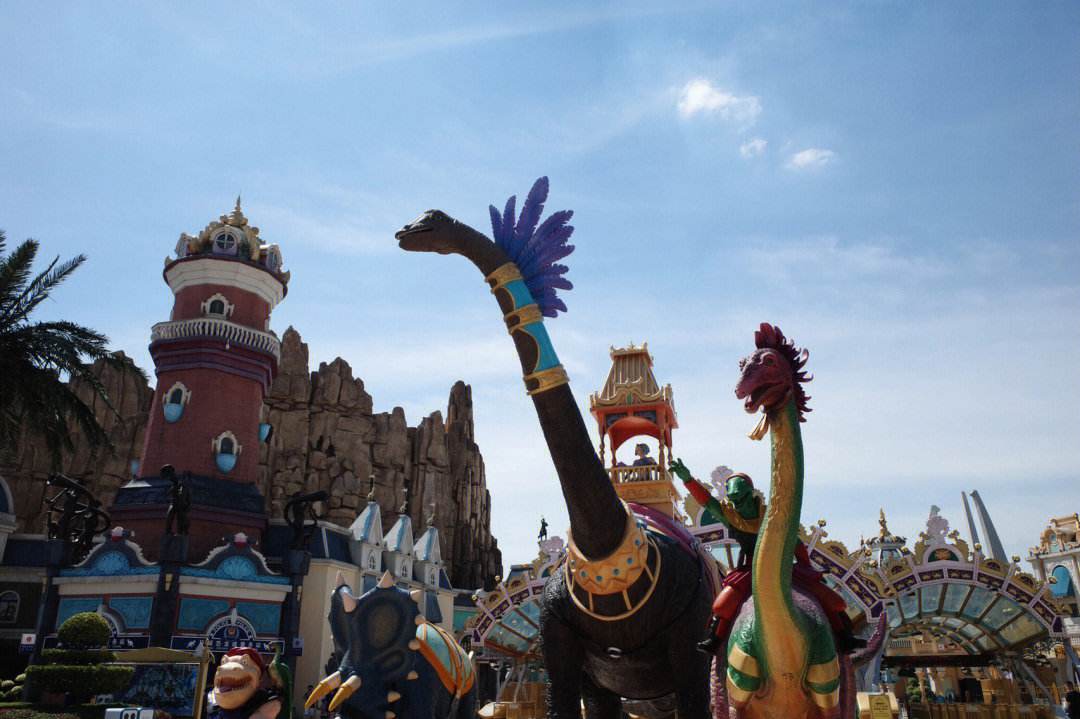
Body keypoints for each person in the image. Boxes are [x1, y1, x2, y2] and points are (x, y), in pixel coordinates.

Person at [669, 457, 864, 655]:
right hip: (751, 570)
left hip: (781, 566)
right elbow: (708, 502)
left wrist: (806, 568)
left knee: (831, 599)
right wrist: (687, 479)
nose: (737, 504)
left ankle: (845, 637)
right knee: (723, 605)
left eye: (741, 498)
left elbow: (795, 543)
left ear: (751, 494)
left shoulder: (772, 516)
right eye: (734, 500)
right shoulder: (731, 516)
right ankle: (715, 639)